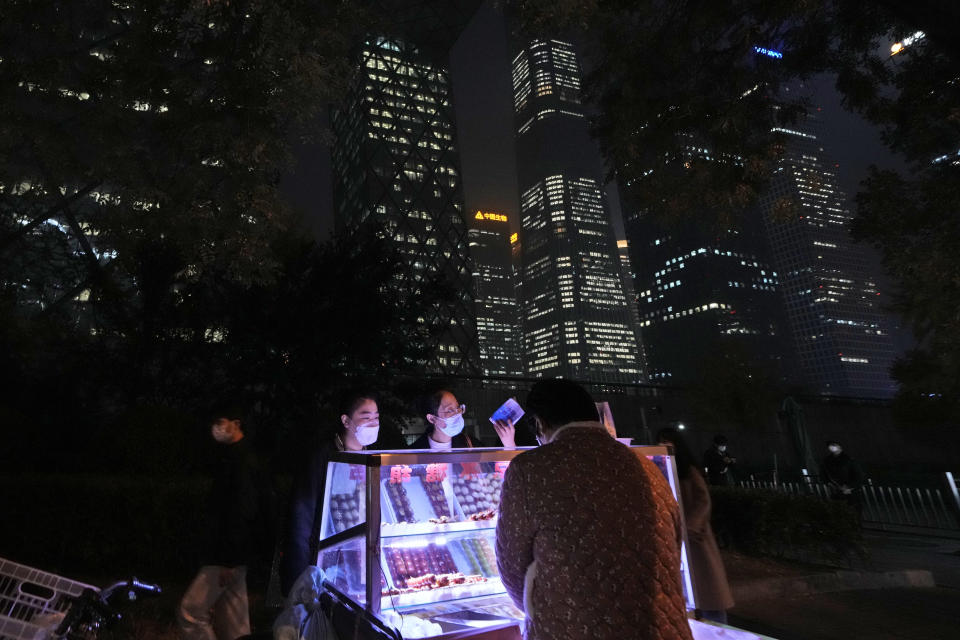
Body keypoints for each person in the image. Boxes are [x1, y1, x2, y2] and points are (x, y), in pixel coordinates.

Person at [495, 379, 692, 640]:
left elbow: (512, 567)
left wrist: (543, 607)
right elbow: (673, 543)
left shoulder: (529, 469)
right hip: (661, 627)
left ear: (540, 423)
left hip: (572, 627)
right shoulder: (646, 466)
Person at [279, 390, 380, 596]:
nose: (373, 423)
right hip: (327, 561)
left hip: (363, 559)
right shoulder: (323, 456)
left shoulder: (373, 457)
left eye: (376, 417)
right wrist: (298, 575)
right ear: (346, 420)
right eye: (366, 417)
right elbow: (302, 515)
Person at [178, 402, 263, 640]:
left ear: (236, 424)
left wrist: (229, 559)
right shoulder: (239, 456)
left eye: (220, 422)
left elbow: (241, 509)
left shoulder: (240, 461)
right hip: (233, 555)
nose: (215, 428)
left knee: (190, 613)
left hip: (225, 556)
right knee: (234, 628)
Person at [658, 427, 735, 625]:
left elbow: (703, 501)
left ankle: (719, 633)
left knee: (710, 595)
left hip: (695, 540)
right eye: (660, 441)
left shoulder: (689, 471)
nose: (663, 445)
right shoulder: (664, 469)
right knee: (695, 596)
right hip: (680, 538)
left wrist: (691, 527)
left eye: (667, 441)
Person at [409, 388, 516, 449]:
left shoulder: (470, 444)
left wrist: (509, 444)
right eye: (450, 410)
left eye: (458, 408)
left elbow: (493, 471)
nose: (457, 414)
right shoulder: (414, 452)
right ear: (432, 419)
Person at [822, 440, 863, 514]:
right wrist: (828, 483)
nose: (831, 447)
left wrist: (849, 486)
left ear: (840, 446)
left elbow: (859, 475)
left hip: (850, 493)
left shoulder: (849, 459)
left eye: (834, 445)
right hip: (836, 491)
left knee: (853, 513)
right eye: (830, 445)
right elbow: (823, 474)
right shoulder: (827, 460)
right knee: (838, 513)